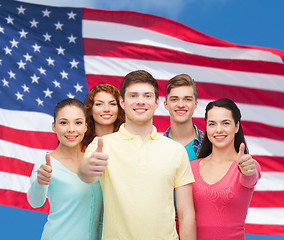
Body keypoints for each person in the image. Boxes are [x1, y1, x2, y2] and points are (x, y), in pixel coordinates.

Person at [78, 70, 196, 240]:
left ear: (156, 103)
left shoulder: (176, 150)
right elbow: (84, 174)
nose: (140, 101)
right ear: (122, 103)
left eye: (147, 96)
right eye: (133, 95)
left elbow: (185, 213)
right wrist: (87, 167)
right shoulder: (102, 145)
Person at [27, 98, 102, 240]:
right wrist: (40, 182)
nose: (71, 129)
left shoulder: (93, 162)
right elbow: (35, 202)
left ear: (86, 127)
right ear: (54, 127)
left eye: (78, 122)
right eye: (63, 122)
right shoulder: (46, 164)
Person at [191, 98, 261, 240]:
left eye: (226, 123)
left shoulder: (246, 165)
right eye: (212, 124)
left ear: (236, 126)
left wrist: (248, 170)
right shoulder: (191, 167)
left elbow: (250, 176)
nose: (218, 130)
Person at [164, 74, 204, 160]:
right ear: (166, 105)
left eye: (187, 99)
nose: (181, 105)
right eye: (174, 99)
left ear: (195, 104)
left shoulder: (210, 144)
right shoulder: (156, 146)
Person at [81, 82, 125, 152]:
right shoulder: (79, 144)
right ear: (90, 109)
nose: (106, 109)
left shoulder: (129, 141)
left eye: (112, 104)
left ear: (119, 108)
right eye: (99, 104)